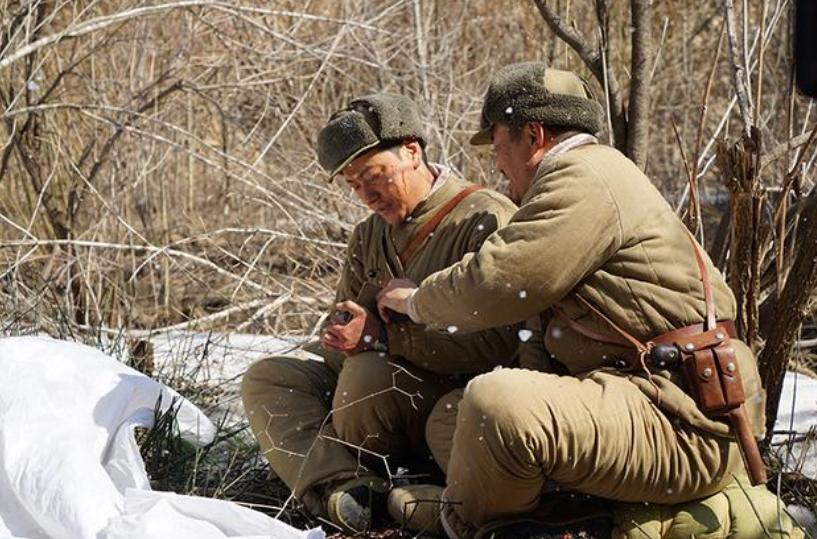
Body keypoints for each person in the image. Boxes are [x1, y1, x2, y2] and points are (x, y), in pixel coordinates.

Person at [376, 62, 792, 538]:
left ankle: (469, 525)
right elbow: (539, 319)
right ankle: (563, 516)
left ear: (532, 135)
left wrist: (414, 301)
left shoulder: (584, 176)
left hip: (682, 420)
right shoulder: (584, 178)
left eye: (497, 143)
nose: (495, 163)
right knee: (452, 417)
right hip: (645, 399)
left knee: (495, 405)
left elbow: (498, 282)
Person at [240, 92, 519, 534]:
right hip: (370, 407)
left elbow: (508, 345)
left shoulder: (486, 219)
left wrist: (386, 340)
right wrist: (341, 337)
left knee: (369, 375)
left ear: (412, 151)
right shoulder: (368, 235)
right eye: (354, 185)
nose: (368, 195)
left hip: (452, 409)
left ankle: (409, 495)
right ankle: (348, 491)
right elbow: (346, 330)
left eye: (375, 176)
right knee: (269, 377)